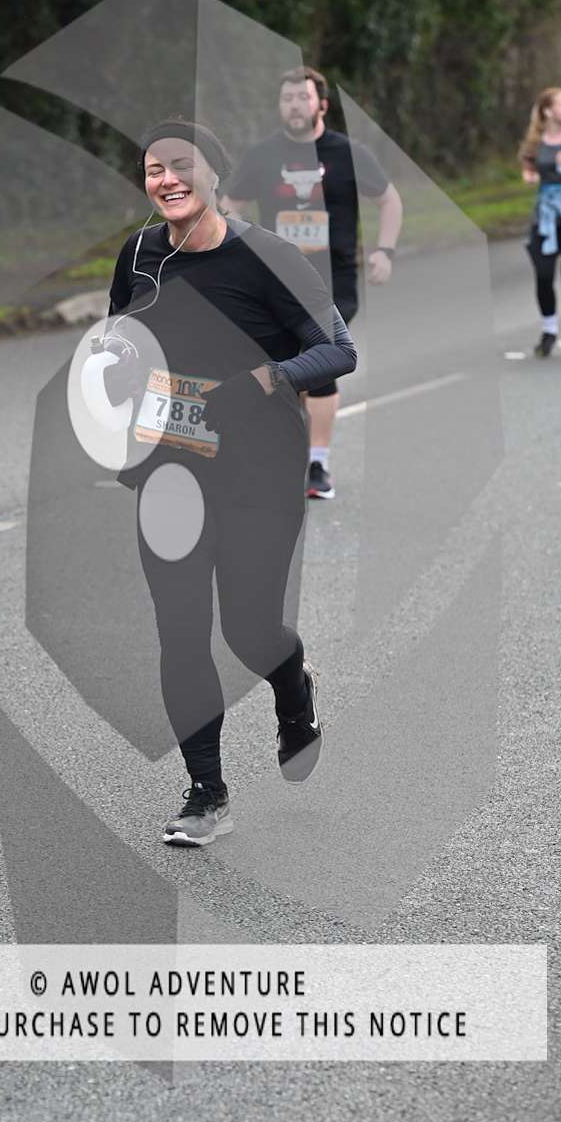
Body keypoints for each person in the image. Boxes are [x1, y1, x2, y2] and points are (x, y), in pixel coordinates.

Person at [101, 118, 356, 846]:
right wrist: (113, 386)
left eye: (181, 165)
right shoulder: (140, 255)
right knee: (181, 632)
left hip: (259, 470)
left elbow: (338, 350)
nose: (167, 180)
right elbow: (118, 338)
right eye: (154, 169)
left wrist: (265, 379)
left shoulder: (270, 258)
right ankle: (205, 793)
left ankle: (292, 688)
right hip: (169, 469)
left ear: (213, 174)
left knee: (249, 630)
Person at [222, 66, 402, 499]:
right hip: (275, 282)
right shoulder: (263, 155)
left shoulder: (348, 152)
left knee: (319, 359)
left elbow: (389, 200)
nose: (294, 106)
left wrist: (384, 250)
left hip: (333, 281)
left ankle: (317, 465)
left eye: (302, 97)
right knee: (292, 366)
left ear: (321, 104)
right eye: (286, 98)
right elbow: (229, 204)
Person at [519, 86, 561, 357]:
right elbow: (528, 170)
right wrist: (531, 176)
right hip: (547, 217)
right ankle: (549, 330)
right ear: (548, 111)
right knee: (544, 273)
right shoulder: (535, 143)